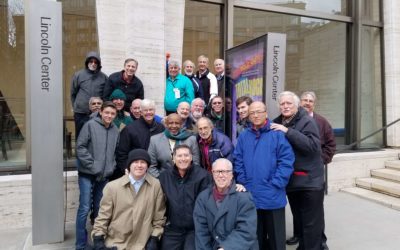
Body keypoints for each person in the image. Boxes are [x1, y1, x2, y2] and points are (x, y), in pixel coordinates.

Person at [234, 101, 294, 250]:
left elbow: (286, 161)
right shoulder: (244, 136)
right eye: (252, 112)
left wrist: (276, 183)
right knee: (255, 238)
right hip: (251, 194)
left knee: (276, 239)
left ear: (266, 113)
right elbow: (238, 159)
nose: (255, 115)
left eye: (259, 111)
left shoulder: (277, 134)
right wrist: (243, 180)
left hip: (272, 194)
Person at [271, 91, 325, 250]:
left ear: (296, 105)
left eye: (289, 103)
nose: (285, 106)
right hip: (291, 181)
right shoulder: (276, 122)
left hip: (310, 181)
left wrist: (288, 132)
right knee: (300, 220)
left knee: (311, 222)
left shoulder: (307, 121)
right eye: (282, 104)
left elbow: (313, 147)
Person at [283, 91, 336, 249]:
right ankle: (300, 238)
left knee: (313, 216)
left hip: (311, 177)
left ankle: (320, 242)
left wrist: (320, 161)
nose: (307, 103)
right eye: (304, 100)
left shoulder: (318, 121)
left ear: (314, 103)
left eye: (310, 100)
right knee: (298, 212)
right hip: (293, 177)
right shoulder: (285, 121)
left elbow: (329, 146)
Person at [91, 149, 166, 250]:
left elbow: (159, 218)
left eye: (143, 162)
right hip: (116, 244)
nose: (139, 165)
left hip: (142, 244)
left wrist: (155, 238)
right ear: (129, 165)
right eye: (135, 162)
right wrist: (98, 239)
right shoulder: (112, 187)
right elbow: (103, 217)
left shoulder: (155, 185)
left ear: (147, 166)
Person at [75, 101, 119, 250]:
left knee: (100, 209)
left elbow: (115, 152)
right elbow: (80, 147)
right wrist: (93, 166)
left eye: (112, 113)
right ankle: (81, 244)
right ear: (101, 112)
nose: (109, 116)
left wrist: (111, 167)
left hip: (104, 176)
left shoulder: (115, 130)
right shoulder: (90, 125)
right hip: (87, 174)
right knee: (84, 208)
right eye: (107, 112)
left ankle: (98, 242)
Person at [193, 158, 258, 250]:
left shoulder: (244, 198)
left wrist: (225, 248)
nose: (220, 175)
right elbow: (201, 232)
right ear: (212, 173)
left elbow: (246, 231)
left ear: (231, 174)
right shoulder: (203, 198)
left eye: (225, 171)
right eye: (217, 172)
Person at [158, 144, 212, 250]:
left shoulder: (203, 176)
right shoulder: (164, 177)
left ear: (191, 157)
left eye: (186, 155)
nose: (183, 159)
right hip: (172, 229)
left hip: (194, 229)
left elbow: (207, 204)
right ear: (173, 158)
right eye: (179, 156)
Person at [116, 99, 165, 178]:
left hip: (157, 173)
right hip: (136, 172)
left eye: (151, 110)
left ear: (154, 111)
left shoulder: (161, 128)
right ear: (141, 112)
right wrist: (126, 169)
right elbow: (121, 153)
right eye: (145, 110)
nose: (148, 112)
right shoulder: (129, 129)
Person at [148, 113, 200, 177]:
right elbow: (151, 166)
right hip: (164, 179)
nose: (174, 126)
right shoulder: (155, 140)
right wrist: (162, 180)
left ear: (181, 125)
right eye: (171, 123)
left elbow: (196, 164)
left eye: (177, 123)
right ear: (166, 124)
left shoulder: (191, 139)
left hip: (187, 179)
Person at [70, 51, 107, 138]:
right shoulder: (78, 75)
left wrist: (101, 109)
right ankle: (79, 152)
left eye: (95, 62)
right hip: (81, 113)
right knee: (80, 136)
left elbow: (105, 95)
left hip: (97, 114)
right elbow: (73, 93)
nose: (93, 64)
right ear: (87, 62)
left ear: (98, 64)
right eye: (91, 61)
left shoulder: (104, 77)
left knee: (95, 136)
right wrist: (76, 107)